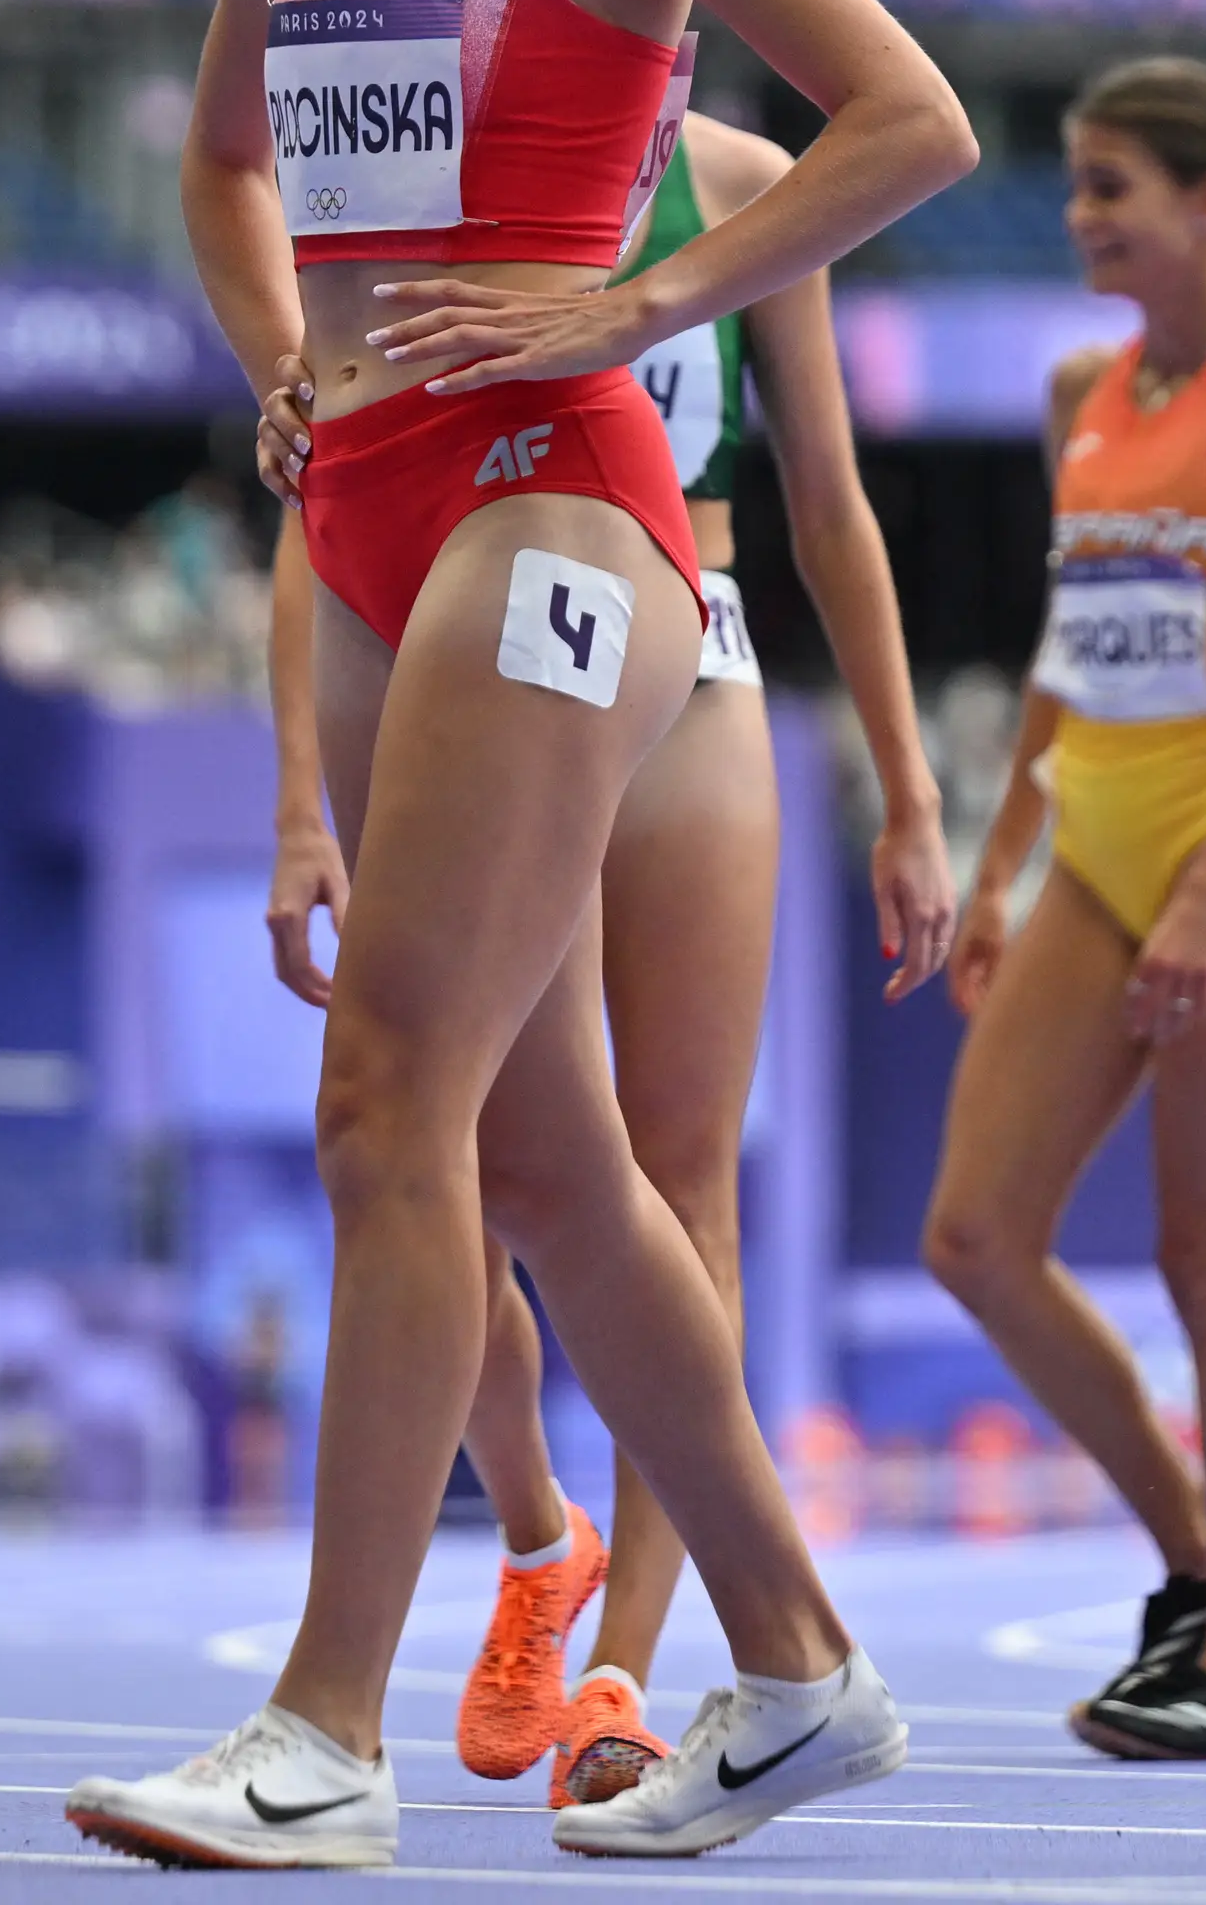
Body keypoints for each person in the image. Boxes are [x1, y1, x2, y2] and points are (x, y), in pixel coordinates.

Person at [62, 0, 973, 1870]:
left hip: (558, 507)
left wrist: (637, 300)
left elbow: (912, 116)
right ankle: (801, 1668)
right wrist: (280, 353)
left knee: (390, 1104)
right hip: (368, 504)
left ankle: (321, 1729)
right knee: (551, 1160)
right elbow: (227, 156)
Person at [258, 104, 960, 1812]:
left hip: (690, 650)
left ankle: (623, 1680)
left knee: (677, 1170)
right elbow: (332, 483)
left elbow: (827, 502)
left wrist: (910, 787)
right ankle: (535, 1537)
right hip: (487, 635)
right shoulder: (449, 147)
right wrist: (293, 803)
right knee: (476, 1148)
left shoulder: (745, 185)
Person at [918, 58, 1206, 1763]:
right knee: (975, 1237)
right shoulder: (1079, 394)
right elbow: (1075, 640)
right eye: (1078, 184)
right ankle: (1194, 1561)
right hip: (1098, 852)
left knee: (1205, 1257)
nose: (1081, 215)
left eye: (1112, 186)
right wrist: (1001, 861)